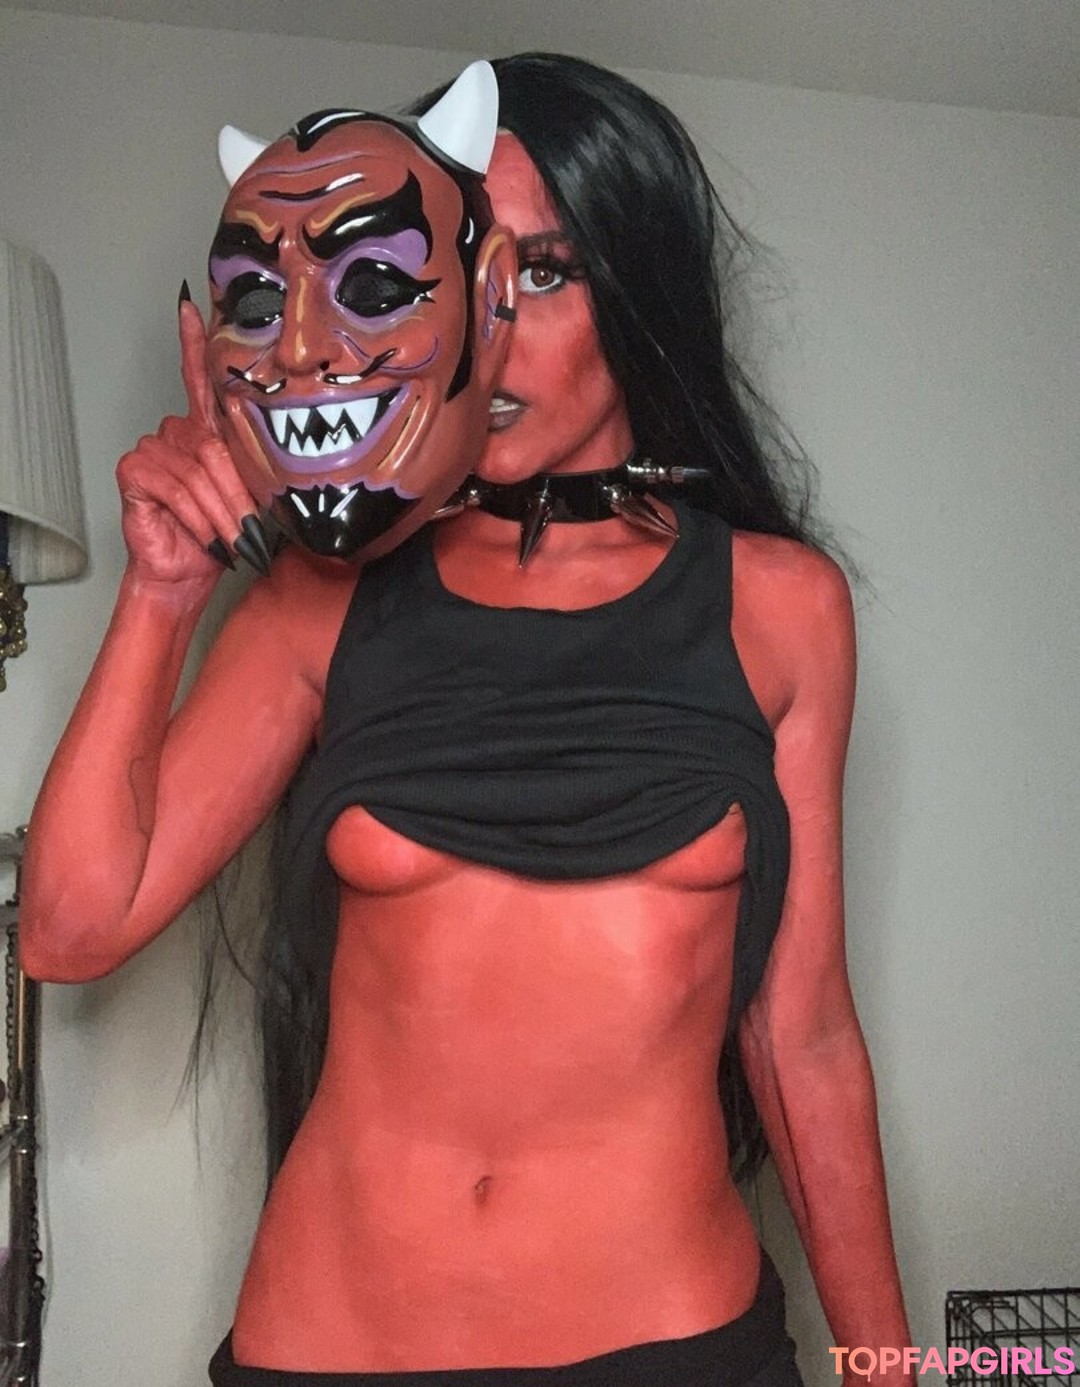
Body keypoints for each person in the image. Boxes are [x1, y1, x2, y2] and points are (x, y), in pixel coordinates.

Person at [20, 51, 911, 1387]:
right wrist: (162, 592)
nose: (489, 330)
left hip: (674, 1345)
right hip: (335, 1348)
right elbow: (68, 930)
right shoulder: (323, 599)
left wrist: (894, 1371)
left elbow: (802, 1038)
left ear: (639, 289)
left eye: (540, 275)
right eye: (460, 272)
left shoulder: (780, 609)